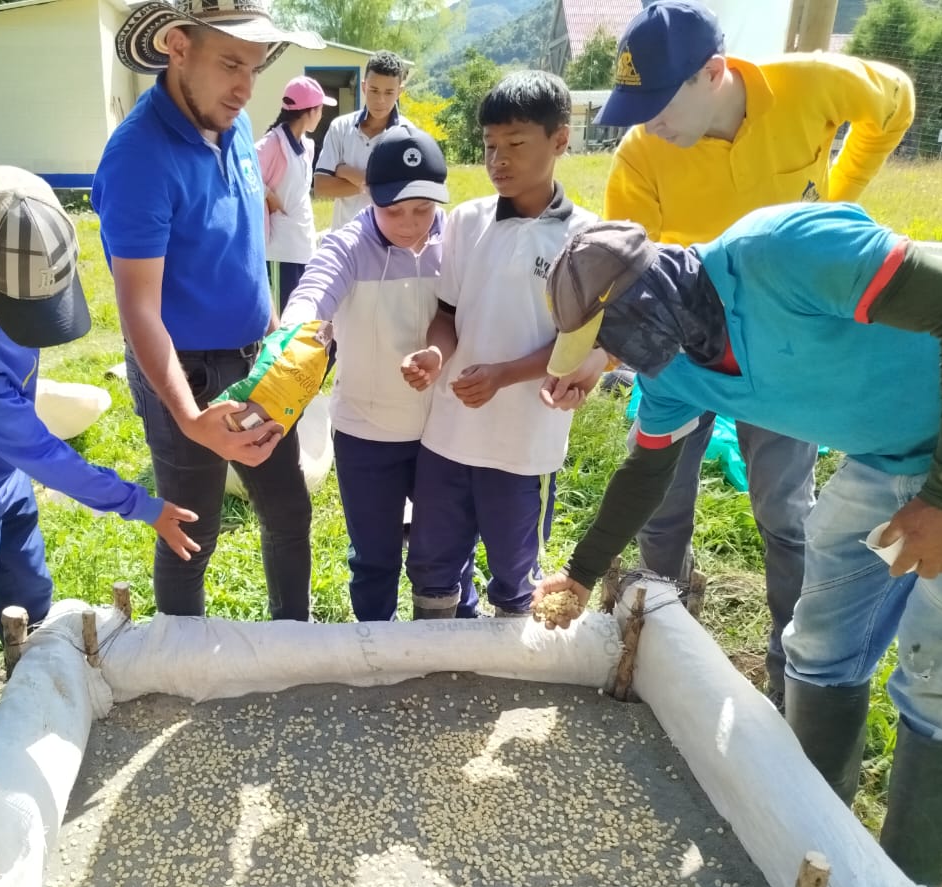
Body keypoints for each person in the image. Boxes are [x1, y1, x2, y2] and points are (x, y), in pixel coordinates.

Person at [535, 203, 942, 887]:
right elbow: (647, 472)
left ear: (648, 299)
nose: (614, 357)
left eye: (611, 335)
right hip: (886, 458)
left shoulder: (781, 251)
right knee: (818, 645)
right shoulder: (672, 372)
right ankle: (819, 842)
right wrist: (580, 573)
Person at [592, 0, 914, 709]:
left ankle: (793, 666)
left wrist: (837, 196)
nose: (648, 122)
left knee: (784, 511)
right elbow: (630, 270)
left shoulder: (811, 85)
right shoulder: (642, 154)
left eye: (658, 102)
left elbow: (896, 101)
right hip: (686, 350)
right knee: (663, 502)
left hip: (786, 351)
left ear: (713, 73)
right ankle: (661, 641)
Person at [0, 165, 199, 812]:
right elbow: (41, 452)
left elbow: (18, 445)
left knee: (28, 595)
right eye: (17, 315)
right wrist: (141, 504)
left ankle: (39, 705)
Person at [93, 0, 322, 620]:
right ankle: (180, 654)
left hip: (255, 357)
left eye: (254, 67)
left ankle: (293, 640)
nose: (245, 89)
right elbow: (139, 308)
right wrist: (192, 417)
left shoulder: (234, 123)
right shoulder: (139, 158)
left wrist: (275, 342)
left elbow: (245, 248)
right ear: (177, 46)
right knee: (190, 531)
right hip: (185, 371)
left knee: (288, 511)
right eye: (229, 64)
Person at [400, 71, 601, 620]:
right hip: (449, 432)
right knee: (432, 563)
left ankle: (510, 656)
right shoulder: (467, 221)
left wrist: (503, 375)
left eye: (515, 143)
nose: (498, 160)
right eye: (490, 145)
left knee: (515, 573)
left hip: (524, 444)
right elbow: (447, 315)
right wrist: (436, 354)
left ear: (560, 140)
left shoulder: (586, 239)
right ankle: (434, 657)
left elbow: (579, 343)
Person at [281, 127, 477, 620]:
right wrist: (296, 330)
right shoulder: (347, 246)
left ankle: (457, 636)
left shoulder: (456, 242)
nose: (410, 225)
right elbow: (313, 291)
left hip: (443, 434)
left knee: (449, 548)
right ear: (370, 196)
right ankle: (376, 644)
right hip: (366, 433)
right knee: (374, 557)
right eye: (394, 211)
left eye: (423, 209)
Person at [257, 75, 335, 315]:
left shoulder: (306, 146)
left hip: (303, 247)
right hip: (280, 249)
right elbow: (243, 173)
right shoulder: (274, 142)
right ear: (310, 111)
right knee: (282, 320)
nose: (321, 115)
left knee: (300, 316)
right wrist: (269, 195)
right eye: (320, 109)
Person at [313, 50, 414, 230]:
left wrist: (346, 171)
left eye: (389, 92)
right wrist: (372, 185)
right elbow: (321, 186)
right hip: (344, 238)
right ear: (363, 87)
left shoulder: (408, 135)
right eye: (374, 90)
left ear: (400, 91)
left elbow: (403, 194)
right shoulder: (341, 127)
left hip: (387, 240)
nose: (380, 100)